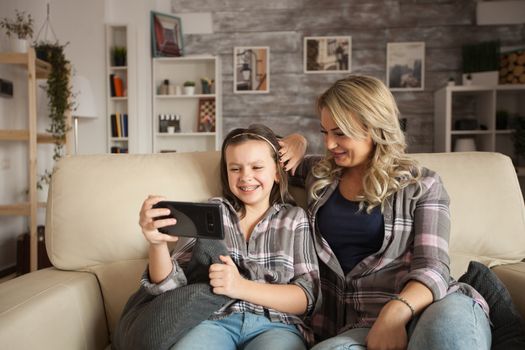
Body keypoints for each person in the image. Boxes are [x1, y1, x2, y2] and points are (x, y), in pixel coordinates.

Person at [278, 75, 491, 350]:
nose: (329, 144)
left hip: (427, 307)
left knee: (448, 335)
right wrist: (296, 141)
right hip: (357, 325)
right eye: (324, 132)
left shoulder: (422, 184)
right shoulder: (320, 173)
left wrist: (394, 313)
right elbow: (255, 154)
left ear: (375, 127)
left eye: (340, 132)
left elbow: (433, 268)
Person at [138, 124, 319, 350]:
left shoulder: (294, 218)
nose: (246, 177)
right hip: (213, 322)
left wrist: (240, 286)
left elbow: (306, 298)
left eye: (257, 167)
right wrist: (156, 244)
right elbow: (170, 288)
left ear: (276, 172)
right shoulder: (211, 211)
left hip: (276, 325)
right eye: (235, 169)